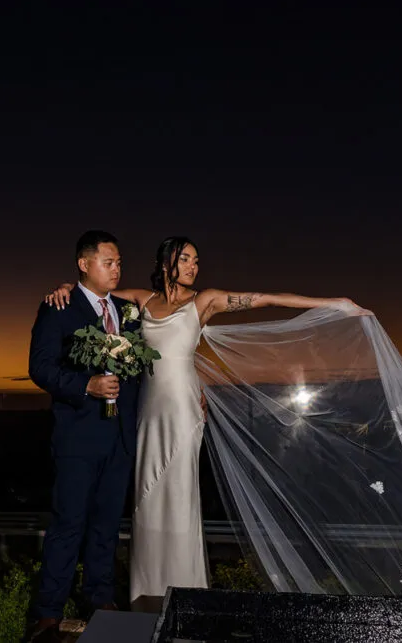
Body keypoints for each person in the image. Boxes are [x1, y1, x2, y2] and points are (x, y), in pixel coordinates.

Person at [45, 236, 366, 607]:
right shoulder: (142, 300)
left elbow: (265, 298)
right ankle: (145, 594)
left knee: (179, 494)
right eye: (186, 259)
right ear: (167, 262)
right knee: (146, 497)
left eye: (196, 261)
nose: (193, 267)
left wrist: (335, 304)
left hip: (183, 408)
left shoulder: (205, 299)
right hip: (147, 411)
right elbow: (93, 296)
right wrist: (67, 286)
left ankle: (185, 593)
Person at [25, 230, 142, 642]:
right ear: (84, 264)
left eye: (119, 263)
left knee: (107, 525)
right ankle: (48, 612)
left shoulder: (129, 311)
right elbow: (39, 367)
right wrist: (84, 386)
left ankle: (99, 597)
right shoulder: (59, 306)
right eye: (108, 262)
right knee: (68, 523)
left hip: (120, 438)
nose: (116, 269)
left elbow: (143, 370)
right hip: (77, 436)